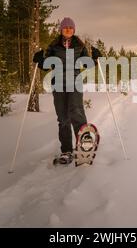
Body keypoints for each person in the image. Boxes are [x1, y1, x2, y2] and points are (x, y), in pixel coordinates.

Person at [32, 17, 102, 165]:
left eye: (71, 27)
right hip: (58, 85)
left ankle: (83, 147)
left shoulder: (79, 46)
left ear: (74, 30)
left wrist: (95, 59)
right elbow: (47, 65)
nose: (68, 29)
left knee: (76, 112)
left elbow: (86, 64)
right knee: (63, 118)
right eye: (65, 27)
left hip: (74, 84)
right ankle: (66, 151)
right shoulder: (54, 46)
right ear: (61, 30)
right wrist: (39, 61)